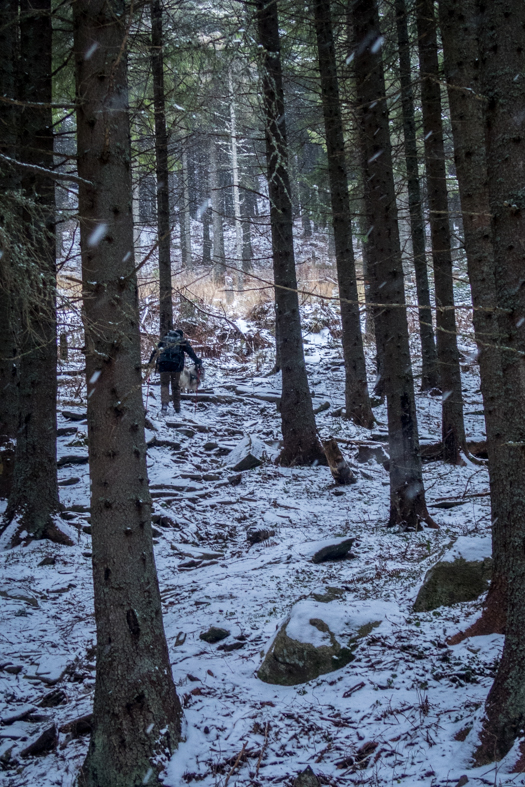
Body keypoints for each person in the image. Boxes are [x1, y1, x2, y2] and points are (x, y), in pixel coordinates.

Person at [148, 329, 202, 414]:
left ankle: (164, 405)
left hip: (163, 365)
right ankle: (177, 407)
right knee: (176, 386)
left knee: (164, 384)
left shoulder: (164, 339)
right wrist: (197, 361)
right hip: (176, 366)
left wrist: (150, 362)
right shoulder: (181, 340)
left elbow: (155, 351)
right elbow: (190, 351)